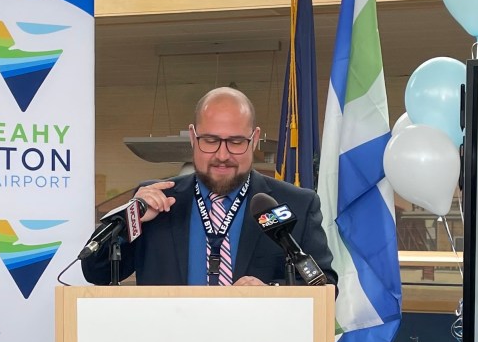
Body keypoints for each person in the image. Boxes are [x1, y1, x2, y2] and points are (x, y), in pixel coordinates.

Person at [82, 87, 336, 288]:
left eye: (236, 142)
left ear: (255, 139)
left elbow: (324, 284)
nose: (222, 155)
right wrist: (130, 219)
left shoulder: (296, 204)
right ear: (192, 137)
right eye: (211, 141)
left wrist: (272, 291)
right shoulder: (155, 200)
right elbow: (97, 272)